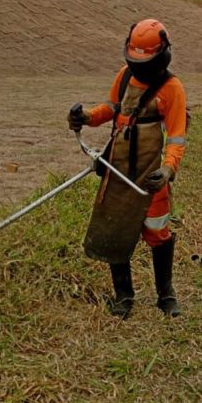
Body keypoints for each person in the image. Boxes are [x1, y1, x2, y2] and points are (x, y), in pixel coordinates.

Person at [67, 18, 187, 318]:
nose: (138, 67)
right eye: (134, 60)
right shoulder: (124, 77)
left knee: (158, 232)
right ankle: (123, 297)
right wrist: (87, 117)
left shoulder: (172, 89)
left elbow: (176, 137)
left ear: (162, 55)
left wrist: (169, 169)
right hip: (116, 170)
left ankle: (165, 295)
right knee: (115, 229)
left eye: (144, 61)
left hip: (150, 176)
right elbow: (110, 109)